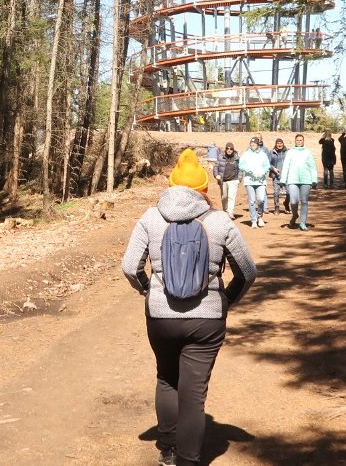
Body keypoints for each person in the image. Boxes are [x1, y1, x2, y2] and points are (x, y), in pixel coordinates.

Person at [122, 150, 257, 466]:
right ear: (203, 189)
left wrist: (147, 289)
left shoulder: (151, 217)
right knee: (193, 395)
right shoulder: (220, 221)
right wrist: (226, 300)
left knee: (167, 378)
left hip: (160, 316)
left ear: (170, 186)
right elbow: (247, 271)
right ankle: (187, 461)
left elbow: (130, 266)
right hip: (206, 320)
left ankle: (167, 450)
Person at [282, 134, 317, 231]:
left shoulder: (307, 153)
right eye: (297, 140)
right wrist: (283, 179)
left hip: (306, 180)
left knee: (304, 201)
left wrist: (314, 180)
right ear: (295, 141)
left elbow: (312, 167)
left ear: (303, 141)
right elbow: (286, 166)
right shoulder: (290, 152)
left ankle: (302, 222)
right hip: (293, 180)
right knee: (293, 201)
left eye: (301, 140)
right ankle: (294, 215)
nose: (299, 142)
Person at [238, 136, 271, 227]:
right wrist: (250, 172)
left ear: (258, 144)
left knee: (261, 199)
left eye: (254, 143)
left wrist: (262, 173)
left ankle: (259, 217)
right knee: (252, 201)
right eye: (251, 144)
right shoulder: (246, 154)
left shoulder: (263, 154)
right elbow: (241, 165)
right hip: (249, 181)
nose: (253, 145)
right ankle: (253, 221)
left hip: (260, 181)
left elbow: (267, 166)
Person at [216, 142, 241, 219]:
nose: (229, 150)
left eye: (231, 149)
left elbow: (241, 169)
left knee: (231, 197)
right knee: (224, 197)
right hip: (223, 180)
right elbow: (215, 167)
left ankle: (230, 212)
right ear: (225, 149)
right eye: (227, 148)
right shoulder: (220, 157)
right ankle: (225, 210)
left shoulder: (237, 158)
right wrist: (216, 175)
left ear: (233, 149)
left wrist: (239, 179)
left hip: (233, 180)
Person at [268, 137, 288, 215]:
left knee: (289, 193)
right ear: (276, 144)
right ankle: (276, 207)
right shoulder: (272, 152)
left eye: (281, 143)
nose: (279, 145)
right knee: (276, 193)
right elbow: (268, 164)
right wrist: (273, 168)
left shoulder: (287, 152)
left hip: (286, 176)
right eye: (278, 143)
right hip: (276, 176)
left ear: (283, 144)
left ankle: (286, 203)